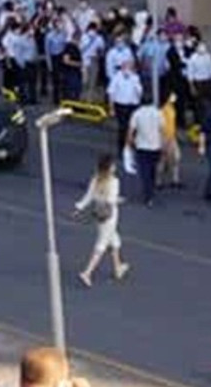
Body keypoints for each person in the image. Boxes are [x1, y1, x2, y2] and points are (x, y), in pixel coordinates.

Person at [73, 154, 129, 287]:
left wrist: (79, 207)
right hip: (110, 216)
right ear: (110, 168)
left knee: (114, 240)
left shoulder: (96, 179)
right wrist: (119, 200)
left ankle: (118, 268)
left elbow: (89, 196)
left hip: (99, 213)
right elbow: (111, 201)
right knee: (102, 244)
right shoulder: (114, 181)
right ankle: (87, 272)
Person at [127, 100, 164, 207]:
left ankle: (148, 195)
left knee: (145, 172)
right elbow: (162, 130)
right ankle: (151, 189)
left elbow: (131, 131)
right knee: (153, 170)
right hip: (156, 146)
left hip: (142, 146)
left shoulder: (137, 113)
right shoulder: (158, 113)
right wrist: (163, 144)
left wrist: (129, 143)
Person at [107, 61, 144, 165]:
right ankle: (122, 150)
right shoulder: (117, 77)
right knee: (123, 129)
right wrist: (111, 108)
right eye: (126, 66)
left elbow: (139, 92)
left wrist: (135, 82)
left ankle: (132, 150)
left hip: (132, 106)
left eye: (130, 67)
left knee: (133, 129)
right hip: (121, 105)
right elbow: (111, 93)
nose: (128, 69)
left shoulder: (135, 78)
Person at [157, 91, 183, 190]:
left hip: (171, 137)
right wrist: (165, 139)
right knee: (163, 159)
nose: (174, 97)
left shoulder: (170, 108)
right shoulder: (163, 110)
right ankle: (159, 181)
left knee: (175, 158)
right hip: (165, 137)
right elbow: (162, 126)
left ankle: (175, 179)